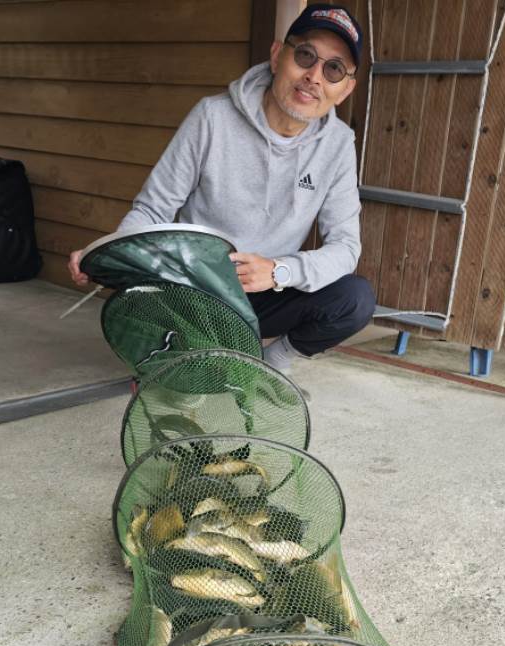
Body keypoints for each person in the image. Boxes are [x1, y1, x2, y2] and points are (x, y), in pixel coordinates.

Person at [68, 4, 375, 376]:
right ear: (277, 56)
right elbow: (153, 208)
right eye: (305, 55)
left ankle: (273, 362)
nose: (314, 76)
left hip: (264, 290)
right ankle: (195, 351)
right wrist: (106, 253)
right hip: (195, 288)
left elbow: (345, 247)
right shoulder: (211, 117)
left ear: (345, 89)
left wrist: (279, 271)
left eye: (334, 69)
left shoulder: (338, 144)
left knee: (355, 299)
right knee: (160, 328)